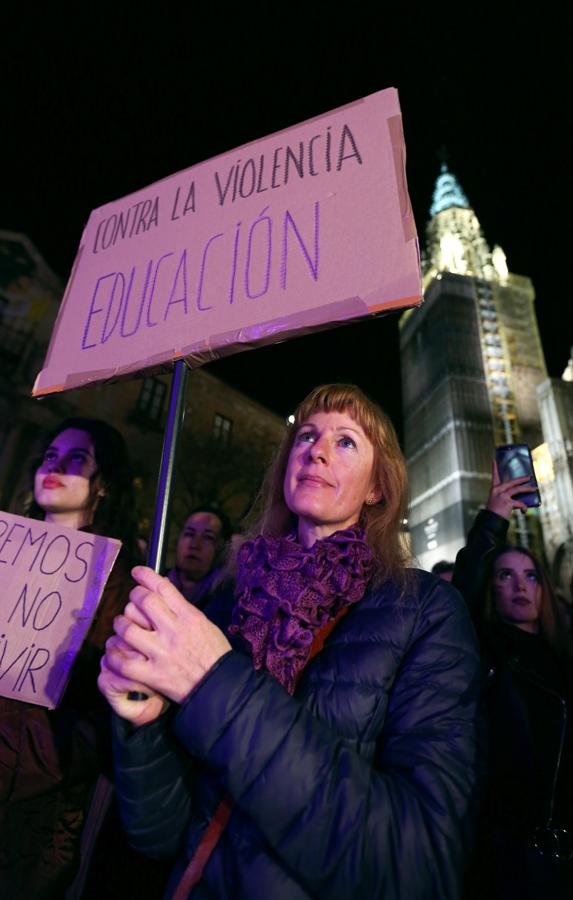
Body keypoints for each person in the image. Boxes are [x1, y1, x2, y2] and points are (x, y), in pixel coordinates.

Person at [99, 384, 483, 900]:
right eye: (305, 435)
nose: (316, 450)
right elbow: (159, 834)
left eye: (345, 441)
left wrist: (216, 684)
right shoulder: (231, 601)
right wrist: (143, 723)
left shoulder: (425, 611)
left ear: (376, 488)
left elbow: (421, 867)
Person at [0, 417, 139, 900]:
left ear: (103, 485)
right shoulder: (5, 548)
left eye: (77, 459)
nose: (56, 467)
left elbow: (94, 722)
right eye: (50, 456)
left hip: (30, 823)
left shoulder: (118, 583)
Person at [453, 461, 573, 900]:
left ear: (543, 589)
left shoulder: (564, 658)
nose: (520, 586)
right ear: (492, 588)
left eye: (530, 576)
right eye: (505, 575)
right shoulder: (484, 652)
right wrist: (494, 517)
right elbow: (460, 599)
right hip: (514, 860)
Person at [167, 507, 231, 609]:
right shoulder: (154, 582)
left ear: (221, 547)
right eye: (189, 534)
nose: (195, 545)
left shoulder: (227, 602)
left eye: (208, 537)